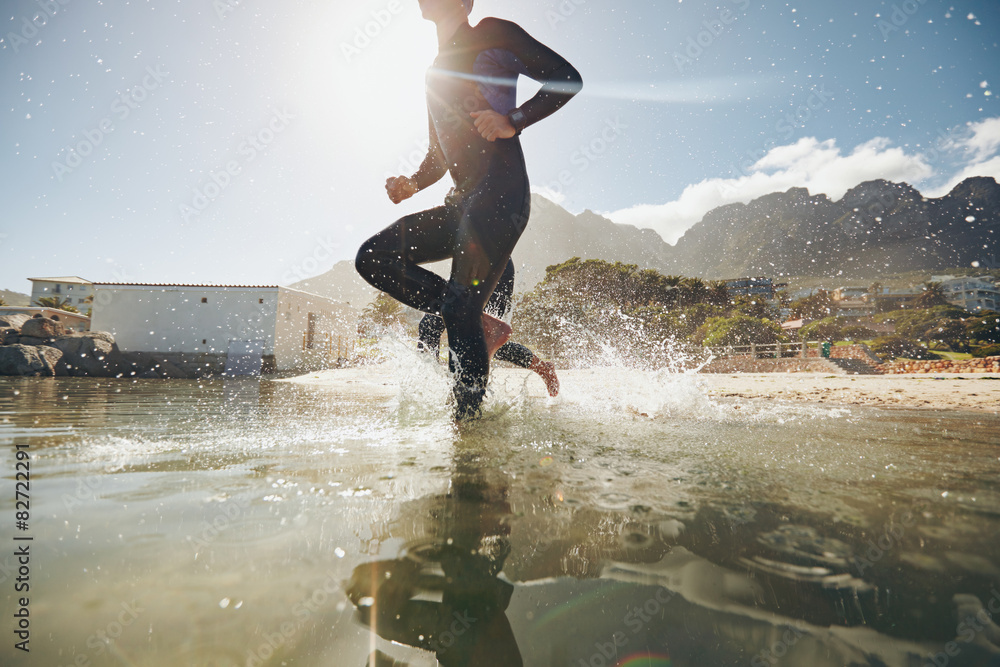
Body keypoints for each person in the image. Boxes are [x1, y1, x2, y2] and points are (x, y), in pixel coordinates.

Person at [355, 0, 581, 419]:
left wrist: (513, 118)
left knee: (460, 309)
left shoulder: (491, 33)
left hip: (502, 192)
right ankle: (478, 322)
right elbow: (438, 157)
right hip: (460, 204)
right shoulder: (433, 75)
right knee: (373, 257)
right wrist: (413, 182)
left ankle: (468, 429)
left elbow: (567, 79)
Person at [417, 258, 560, 397]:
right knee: (429, 325)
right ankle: (432, 386)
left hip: (495, 262)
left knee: (486, 338)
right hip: (465, 267)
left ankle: (542, 368)